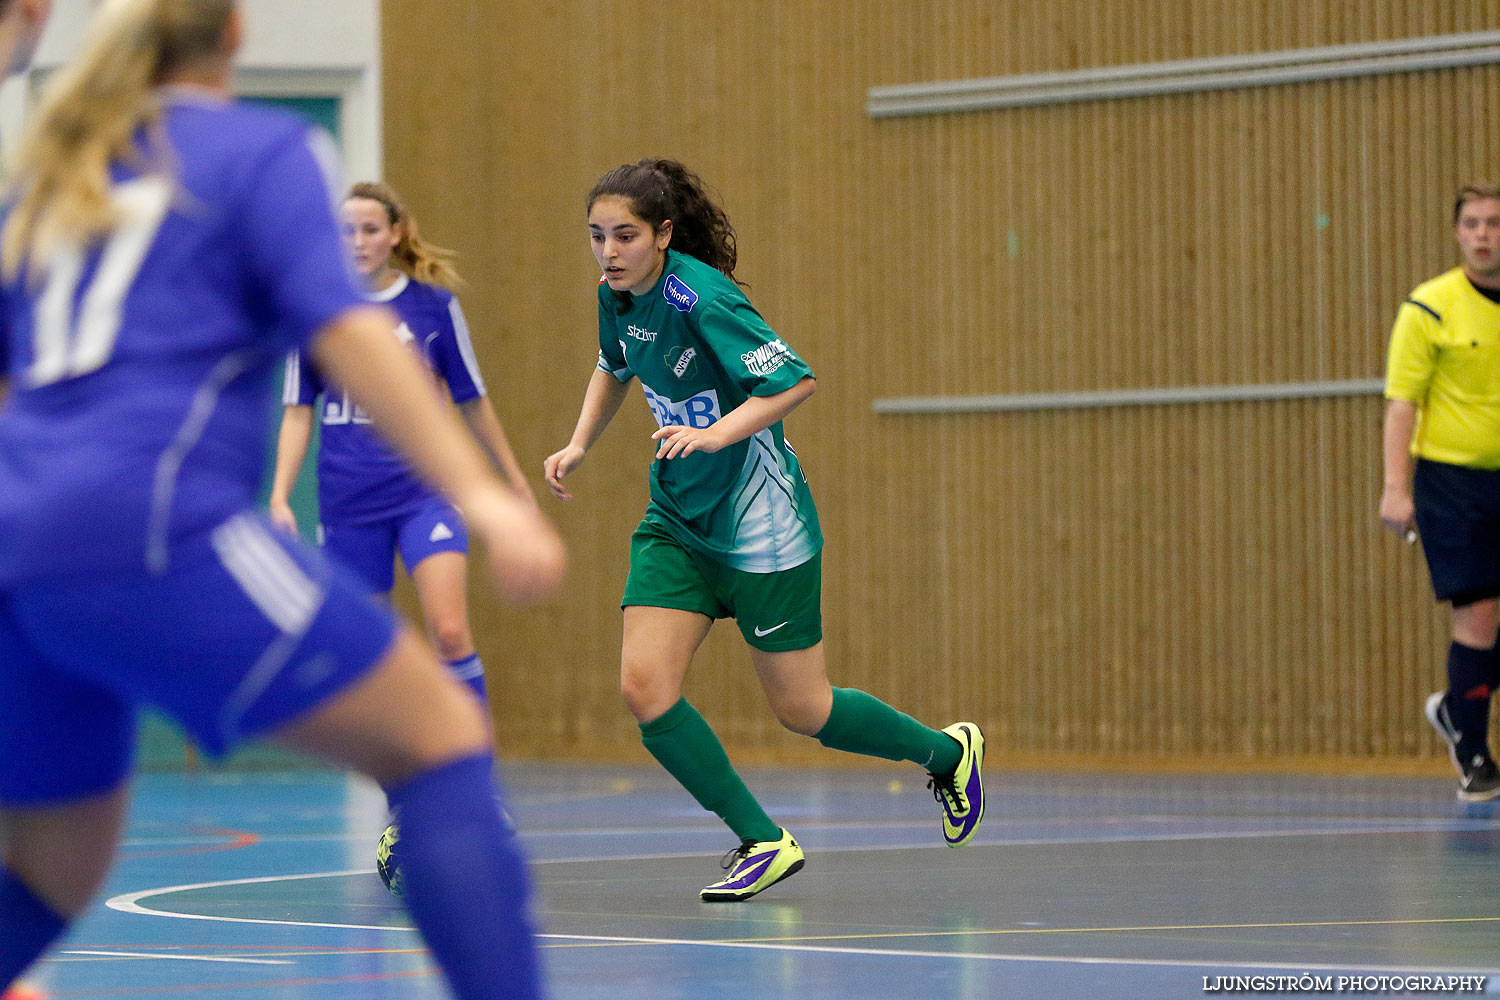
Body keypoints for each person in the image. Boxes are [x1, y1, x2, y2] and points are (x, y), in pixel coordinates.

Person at [0, 4, 564, 1000]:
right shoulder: (263, 152)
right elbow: (347, 336)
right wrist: (488, 496)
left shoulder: (55, 175)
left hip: (20, 549)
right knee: (437, 732)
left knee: (50, 870)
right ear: (236, 35)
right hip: (157, 527)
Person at [543, 158, 985, 902]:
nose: (610, 251)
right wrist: (580, 440)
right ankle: (762, 840)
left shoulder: (700, 294)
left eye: (625, 235)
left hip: (762, 526)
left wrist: (717, 434)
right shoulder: (614, 295)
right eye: (597, 236)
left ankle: (946, 754)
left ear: (663, 235)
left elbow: (795, 380)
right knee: (643, 688)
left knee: (803, 710)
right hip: (678, 519)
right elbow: (613, 365)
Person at [271, 180, 533, 703]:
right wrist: (279, 496)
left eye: (370, 229)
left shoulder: (433, 309)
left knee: (451, 631)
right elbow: (299, 414)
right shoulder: (317, 315)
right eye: (346, 230)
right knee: (367, 652)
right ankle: (397, 775)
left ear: (394, 234)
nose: (357, 241)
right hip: (348, 505)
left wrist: (513, 480)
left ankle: (472, 772)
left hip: (424, 496)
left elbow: (473, 400)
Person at [1381, 182, 1500, 803]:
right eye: (1473, 224)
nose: (1484, 235)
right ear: (1458, 234)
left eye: (1495, 223)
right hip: (1453, 481)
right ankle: (1474, 750)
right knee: (1478, 616)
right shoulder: (1429, 307)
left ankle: (1455, 708)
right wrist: (1395, 488)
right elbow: (1403, 403)